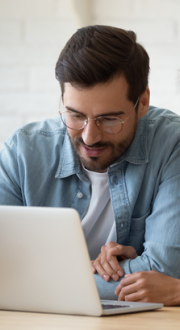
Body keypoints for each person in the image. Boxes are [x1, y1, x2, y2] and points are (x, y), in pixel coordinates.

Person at [1, 25, 180, 302]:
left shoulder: (172, 145)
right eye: (75, 115)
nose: (90, 136)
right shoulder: (21, 153)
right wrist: (97, 275)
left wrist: (45, 280)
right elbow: (6, 273)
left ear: (142, 102)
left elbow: (165, 270)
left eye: (109, 119)